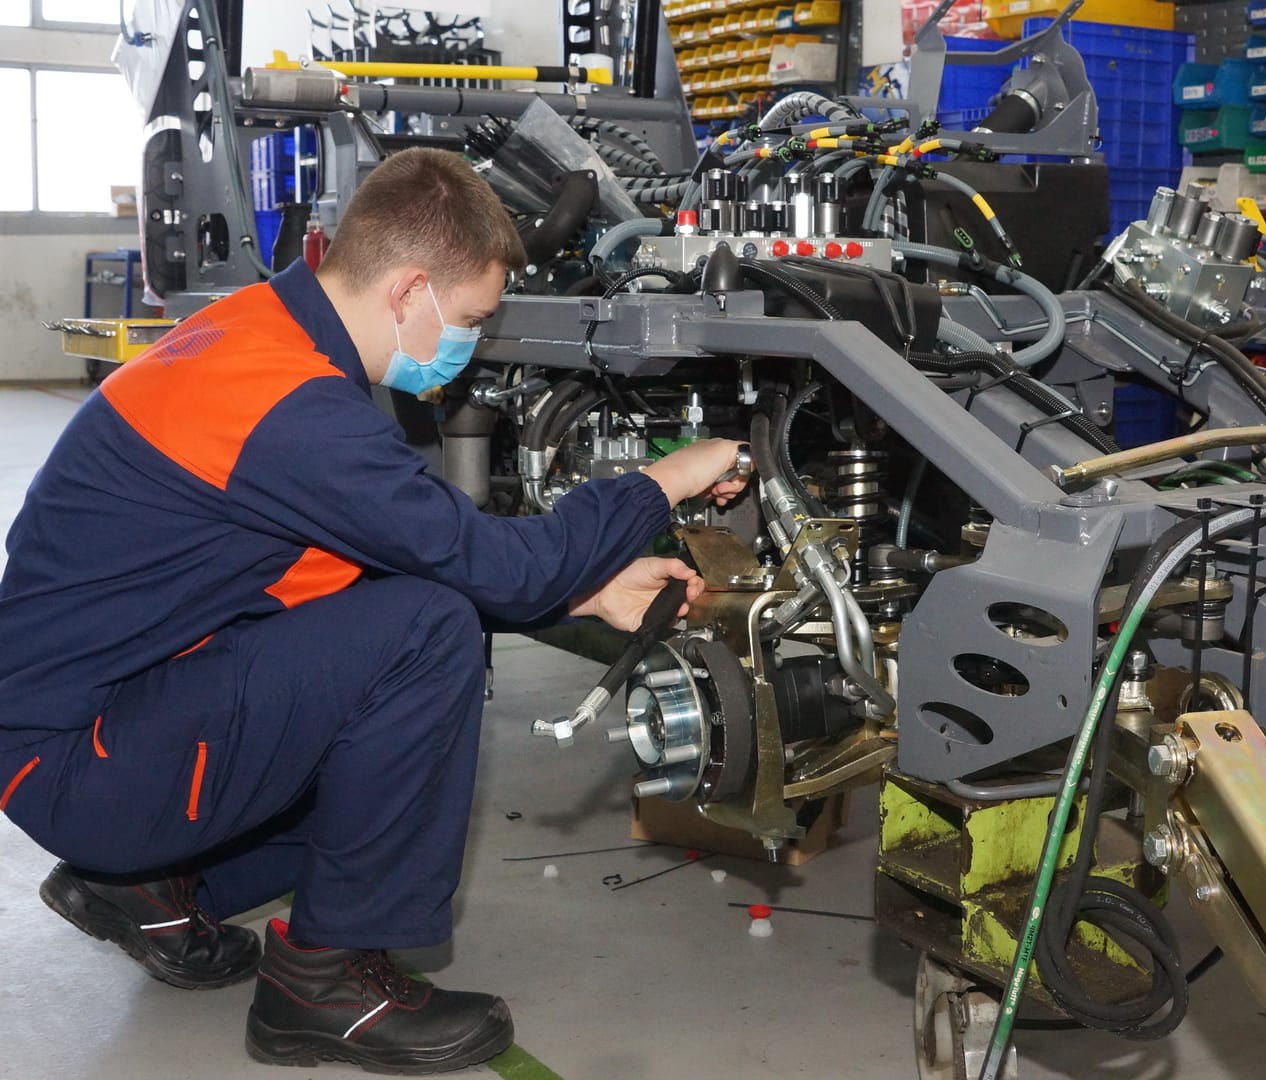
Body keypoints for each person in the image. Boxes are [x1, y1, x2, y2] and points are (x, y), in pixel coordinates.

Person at [0, 147, 745, 1072]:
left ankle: (149, 885)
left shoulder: (263, 333)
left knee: (403, 655)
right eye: (470, 321)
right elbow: (483, 575)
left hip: (89, 728)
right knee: (428, 635)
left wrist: (585, 590)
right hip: (81, 766)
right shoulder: (291, 407)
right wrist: (666, 478)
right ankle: (322, 982)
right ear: (409, 290)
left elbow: (365, 568)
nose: (469, 345)